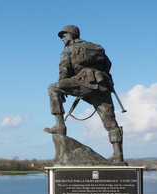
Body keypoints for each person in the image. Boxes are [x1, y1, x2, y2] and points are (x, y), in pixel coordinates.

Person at [44, 25, 123, 162]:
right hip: (101, 83)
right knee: (110, 121)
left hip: (83, 81)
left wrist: (63, 89)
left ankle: (60, 126)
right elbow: (108, 65)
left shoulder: (68, 49)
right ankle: (118, 154)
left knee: (53, 88)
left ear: (71, 34)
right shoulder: (97, 47)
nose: (62, 38)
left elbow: (64, 71)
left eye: (64, 35)